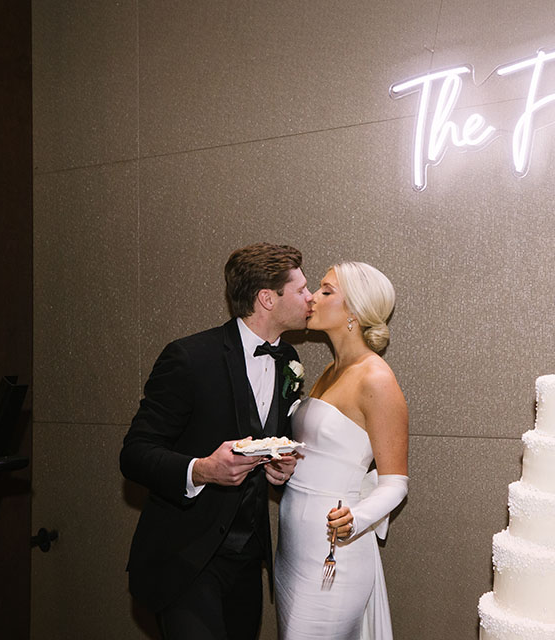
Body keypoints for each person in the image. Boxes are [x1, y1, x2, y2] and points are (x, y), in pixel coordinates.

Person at [120, 243, 313, 640]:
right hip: (186, 558)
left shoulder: (289, 358)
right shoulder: (190, 358)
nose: (310, 298)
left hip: (247, 561)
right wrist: (203, 469)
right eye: (301, 290)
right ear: (267, 299)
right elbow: (135, 454)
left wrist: (282, 468)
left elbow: (277, 437)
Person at [275, 262, 409, 639]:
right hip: (293, 546)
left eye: (326, 291)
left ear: (355, 311)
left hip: (335, 549)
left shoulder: (376, 379)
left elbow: (395, 482)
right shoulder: (329, 371)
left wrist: (355, 519)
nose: (312, 298)